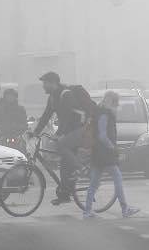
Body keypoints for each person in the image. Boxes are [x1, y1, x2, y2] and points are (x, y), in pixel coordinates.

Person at [30, 71, 97, 204]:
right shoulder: (53, 98)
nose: (43, 86)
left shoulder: (66, 94)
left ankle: (81, 168)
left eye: (45, 83)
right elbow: (46, 116)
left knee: (61, 145)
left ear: (53, 83)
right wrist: (35, 132)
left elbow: (69, 117)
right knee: (65, 163)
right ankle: (65, 194)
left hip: (81, 128)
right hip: (71, 130)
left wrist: (60, 133)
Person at [85, 91, 140, 219]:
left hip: (97, 152)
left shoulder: (99, 112)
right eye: (116, 104)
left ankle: (87, 211)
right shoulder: (105, 114)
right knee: (117, 178)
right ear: (112, 102)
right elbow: (103, 136)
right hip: (105, 153)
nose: (117, 107)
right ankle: (125, 208)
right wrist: (113, 148)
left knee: (94, 182)